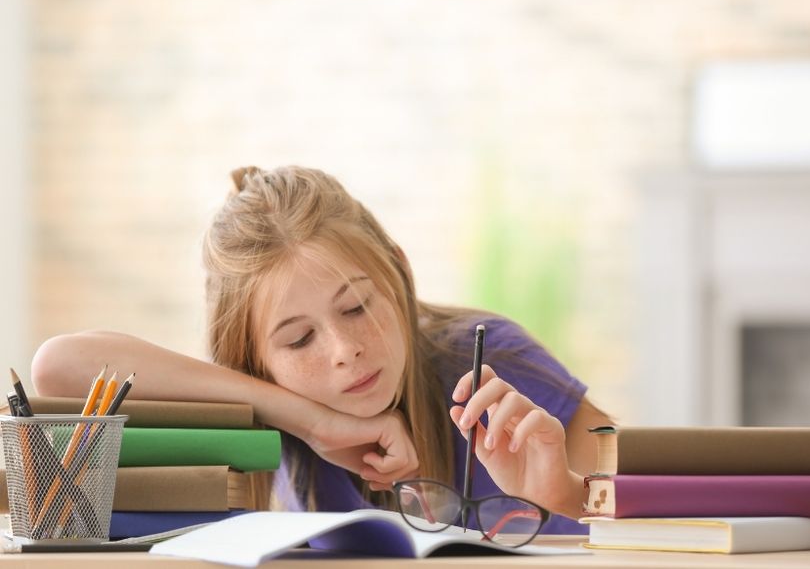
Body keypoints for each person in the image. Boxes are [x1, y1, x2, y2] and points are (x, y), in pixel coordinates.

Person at [31, 166, 613, 533]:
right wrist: (309, 421)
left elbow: (684, 521)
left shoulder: (492, 361)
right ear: (255, 359)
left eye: (357, 306)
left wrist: (560, 493)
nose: (344, 350)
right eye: (298, 339)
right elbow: (58, 367)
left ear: (397, 271)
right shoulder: (273, 412)